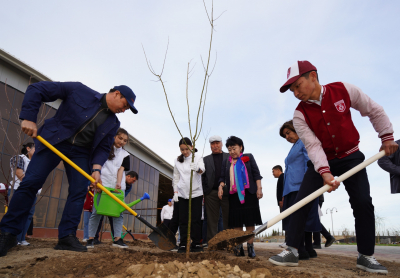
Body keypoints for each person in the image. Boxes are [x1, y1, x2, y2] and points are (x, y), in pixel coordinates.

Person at [269, 61, 398, 274]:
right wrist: (324, 172)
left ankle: (366, 256)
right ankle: (291, 250)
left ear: (312, 76)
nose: (295, 93)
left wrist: (387, 137)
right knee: (302, 201)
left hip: (351, 156)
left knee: (363, 202)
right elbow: (312, 145)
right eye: (292, 90)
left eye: (297, 86)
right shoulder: (299, 115)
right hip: (322, 159)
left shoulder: (344, 90)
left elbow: (373, 110)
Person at [0, 82, 138, 257]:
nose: (124, 110)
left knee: (79, 190)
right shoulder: (79, 90)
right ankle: (7, 233)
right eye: (125, 105)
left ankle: (66, 236)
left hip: (81, 153)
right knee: (31, 182)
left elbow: (103, 148)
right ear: (117, 94)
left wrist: (96, 169)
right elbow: (37, 89)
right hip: (54, 140)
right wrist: (29, 117)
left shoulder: (113, 123)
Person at [279, 120, 320, 260]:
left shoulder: (305, 142)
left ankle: (303, 248)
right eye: (285, 136)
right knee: (296, 217)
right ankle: (306, 248)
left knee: (302, 217)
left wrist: (308, 184)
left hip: (301, 185)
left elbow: (310, 163)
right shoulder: (294, 146)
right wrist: (284, 193)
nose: (287, 137)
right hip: (290, 188)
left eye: (288, 133)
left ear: (295, 129)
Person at [218, 136, 263, 258]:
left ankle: (250, 247)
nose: (232, 152)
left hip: (249, 194)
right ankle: (239, 247)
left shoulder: (248, 157)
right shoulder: (226, 162)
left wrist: (259, 188)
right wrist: (221, 186)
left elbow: (256, 174)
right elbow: (222, 178)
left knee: (249, 221)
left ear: (241, 147)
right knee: (237, 223)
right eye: (229, 149)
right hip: (234, 195)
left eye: (234, 148)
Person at [87, 128, 130, 249]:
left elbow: (121, 170)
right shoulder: (104, 149)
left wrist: (118, 183)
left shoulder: (125, 155)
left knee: (118, 214)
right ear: (114, 137)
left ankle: (117, 239)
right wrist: (97, 184)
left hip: (117, 188)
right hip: (103, 184)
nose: (121, 142)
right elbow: (98, 165)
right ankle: (90, 239)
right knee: (96, 212)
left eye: (125, 140)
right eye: (120, 138)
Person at [172, 137, 205, 253]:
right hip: (181, 193)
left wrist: (197, 168)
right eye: (182, 149)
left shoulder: (198, 157)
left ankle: (195, 243)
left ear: (191, 147)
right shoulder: (177, 161)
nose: (185, 152)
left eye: (187, 149)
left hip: (196, 192)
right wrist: (175, 192)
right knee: (183, 219)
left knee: (195, 219)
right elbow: (176, 177)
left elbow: (202, 170)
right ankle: (183, 243)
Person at [9, 143, 41, 246]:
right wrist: (31, 186)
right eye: (36, 147)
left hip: (32, 193)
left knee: (28, 215)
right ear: (28, 148)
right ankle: (13, 239)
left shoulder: (36, 163)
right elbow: (19, 173)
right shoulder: (19, 158)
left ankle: (21, 239)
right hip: (19, 189)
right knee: (18, 214)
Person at [201, 135, 230, 244]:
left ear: (221, 144)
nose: (215, 146)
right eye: (213, 144)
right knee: (211, 220)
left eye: (217, 143)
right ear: (210, 146)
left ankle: (227, 242)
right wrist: (205, 192)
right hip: (211, 193)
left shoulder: (229, 156)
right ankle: (212, 243)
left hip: (227, 192)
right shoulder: (206, 159)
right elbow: (202, 177)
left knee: (227, 218)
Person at [272, 165, 285, 248]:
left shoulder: (283, 177)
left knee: (286, 221)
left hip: (283, 203)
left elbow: (284, 189)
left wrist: (282, 200)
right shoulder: (281, 178)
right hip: (282, 203)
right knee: (285, 221)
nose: (273, 174)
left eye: (273, 171)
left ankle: (287, 241)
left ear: (278, 170)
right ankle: (287, 240)